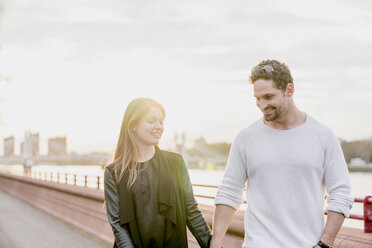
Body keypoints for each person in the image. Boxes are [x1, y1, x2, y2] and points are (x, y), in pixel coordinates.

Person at [211, 60, 353, 248]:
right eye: (257, 98)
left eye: (268, 97)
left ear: (289, 90)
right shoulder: (246, 138)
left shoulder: (323, 136)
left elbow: (341, 193)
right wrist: (216, 240)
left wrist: (324, 244)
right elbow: (229, 192)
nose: (262, 105)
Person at [104, 98, 211, 248]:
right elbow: (118, 225)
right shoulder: (114, 172)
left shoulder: (176, 163)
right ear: (133, 125)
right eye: (152, 121)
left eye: (161, 121)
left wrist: (213, 244)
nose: (158, 126)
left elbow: (192, 212)